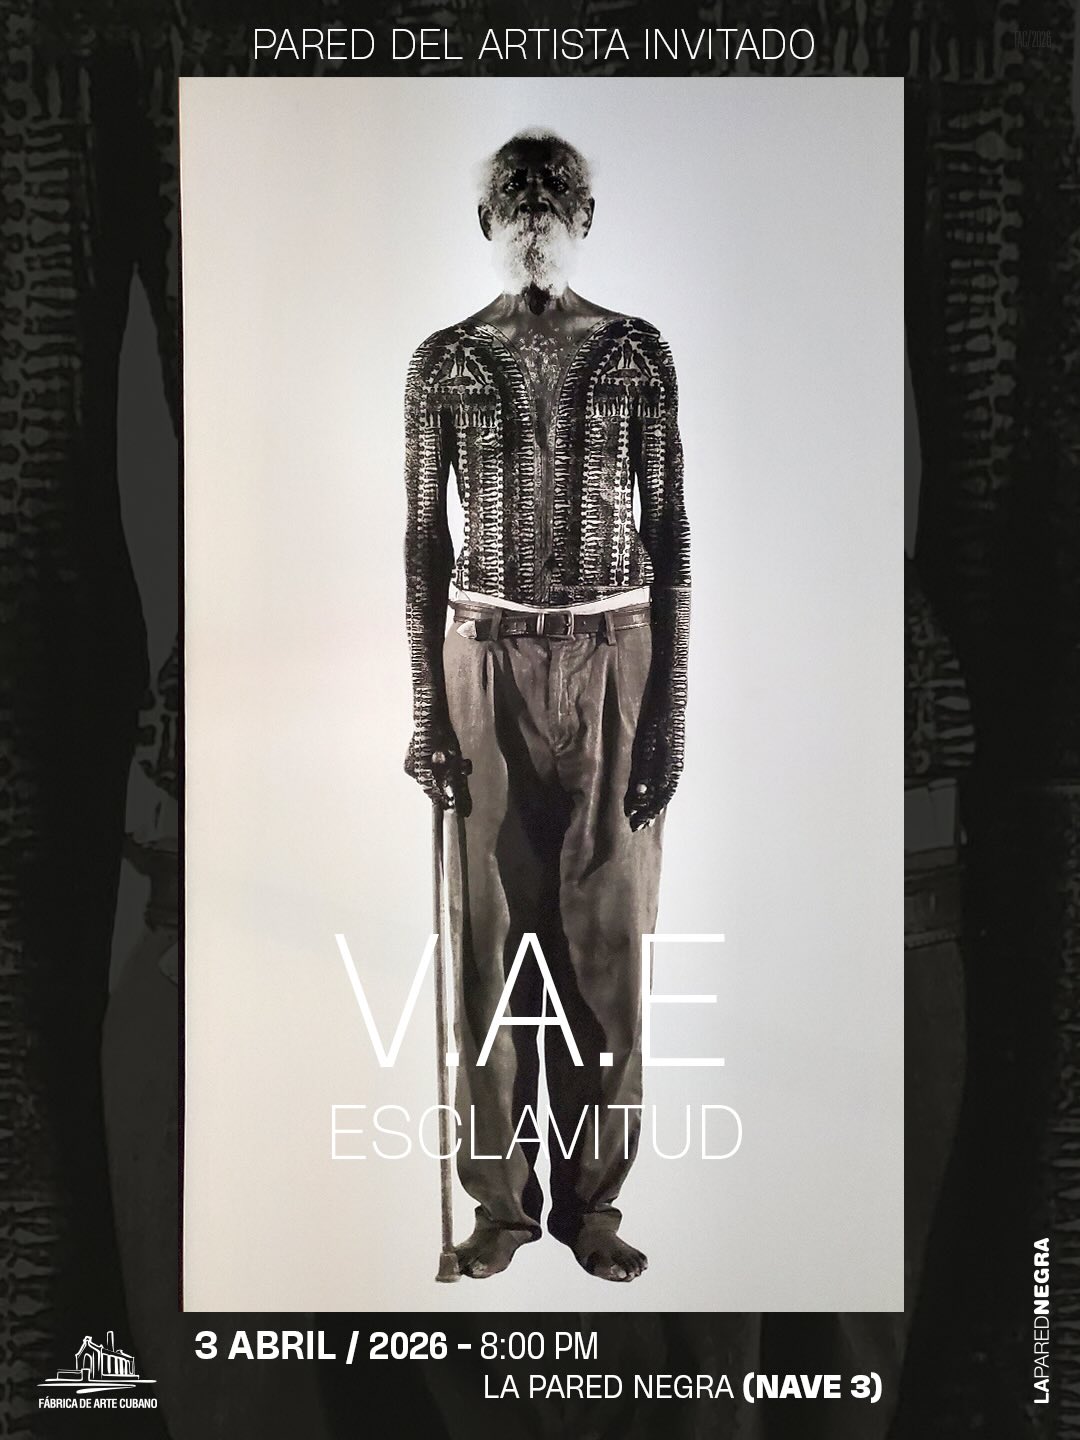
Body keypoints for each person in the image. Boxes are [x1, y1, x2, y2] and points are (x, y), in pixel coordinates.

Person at [403, 129, 690, 1282]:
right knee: (488, 950)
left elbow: (671, 531)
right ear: (487, 221)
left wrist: (671, 709)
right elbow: (424, 542)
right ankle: (499, 1207)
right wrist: (426, 708)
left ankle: (594, 1207)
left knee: (607, 947)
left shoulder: (637, 354)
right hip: (483, 657)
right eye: (516, 198)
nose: (535, 215)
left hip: (616, 655)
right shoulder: (443, 363)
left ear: (584, 217)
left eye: (554, 197)